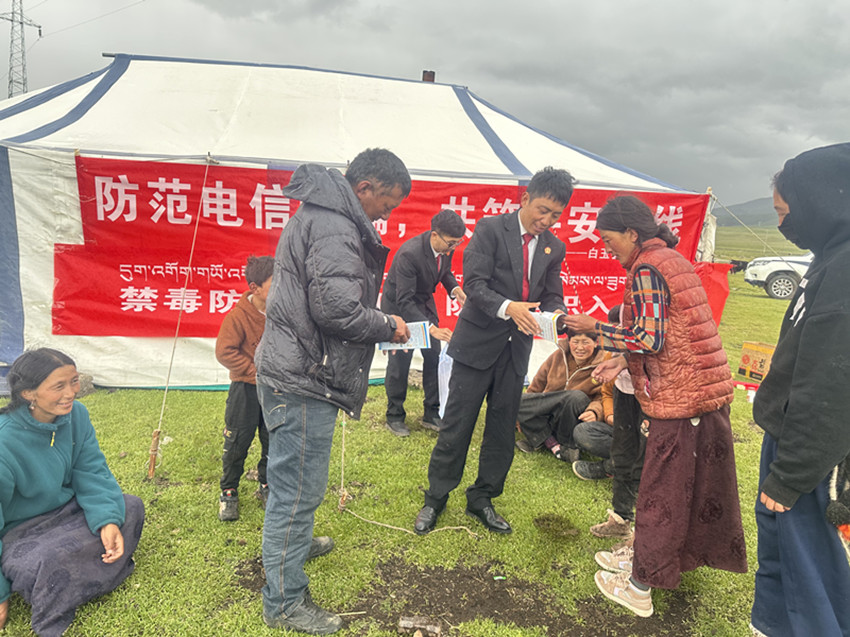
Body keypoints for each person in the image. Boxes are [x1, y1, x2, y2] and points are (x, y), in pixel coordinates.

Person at [565, 195, 746, 618]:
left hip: (683, 398)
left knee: (662, 492)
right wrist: (620, 360)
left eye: (609, 240)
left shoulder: (648, 268)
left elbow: (650, 338)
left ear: (632, 233)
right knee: (683, 489)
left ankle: (639, 586)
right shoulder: (671, 260)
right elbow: (672, 331)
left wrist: (597, 329)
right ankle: (651, 559)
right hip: (700, 393)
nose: (607, 248)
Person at [255, 148, 411, 635]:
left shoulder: (323, 215)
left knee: (297, 486)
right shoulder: (335, 225)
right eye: (386, 203)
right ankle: (284, 602)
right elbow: (337, 310)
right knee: (296, 493)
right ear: (364, 188)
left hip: (297, 370)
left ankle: (294, 548)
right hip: (303, 378)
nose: (386, 214)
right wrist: (387, 324)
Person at [414, 166, 575, 536]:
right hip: (476, 345)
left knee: (502, 430)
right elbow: (475, 284)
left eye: (555, 215)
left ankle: (482, 497)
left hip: (515, 351)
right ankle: (436, 497)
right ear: (525, 199)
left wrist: (557, 316)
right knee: (457, 425)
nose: (546, 221)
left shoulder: (554, 247)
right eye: (542, 210)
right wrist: (509, 308)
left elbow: (552, 294)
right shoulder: (489, 229)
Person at [749, 144, 850, 637]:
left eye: (784, 212)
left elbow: (833, 381)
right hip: (791, 435)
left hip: (810, 450)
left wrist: (790, 474)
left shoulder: (845, 271)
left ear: (819, 201)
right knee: (785, 555)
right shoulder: (829, 258)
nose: (782, 226)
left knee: (806, 568)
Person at [0, 348, 144, 637]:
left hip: (67, 511)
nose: (71, 393)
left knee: (129, 507)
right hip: (19, 530)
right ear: (28, 393)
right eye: (59, 386)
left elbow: (91, 470)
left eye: (74, 381)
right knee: (45, 560)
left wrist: (107, 521)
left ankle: (75, 571)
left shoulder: (76, 415)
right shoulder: (4, 441)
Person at [381, 209, 468, 436]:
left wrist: (455, 290)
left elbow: (444, 272)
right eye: (450, 243)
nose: (453, 248)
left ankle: (432, 412)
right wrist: (431, 328)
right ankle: (394, 416)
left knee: (434, 357)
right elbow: (404, 300)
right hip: (399, 309)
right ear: (434, 235)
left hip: (423, 304)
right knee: (400, 362)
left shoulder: (445, 248)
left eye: (457, 243)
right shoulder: (409, 254)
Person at [215, 255, 274, 521]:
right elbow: (224, 352)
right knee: (237, 441)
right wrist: (254, 372)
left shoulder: (281, 313)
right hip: (245, 390)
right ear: (255, 288)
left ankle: (267, 484)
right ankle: (229, 491)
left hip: (275, 389)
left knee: (273, 439)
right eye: (275, 283)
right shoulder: (237, 317)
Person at [580, 305, 647, 538]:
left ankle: (644, 535)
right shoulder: (610, 352)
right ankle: (620, 518)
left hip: (650, 393)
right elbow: (605, 391)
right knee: (622, 454)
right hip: (623, 394)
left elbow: (650, 343)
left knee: (647, 461)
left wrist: (595, 326)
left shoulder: (652, 305)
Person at [514, 329, 610, 463]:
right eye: (575, 342)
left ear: (596, 343)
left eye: (585, 342)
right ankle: (554, 445)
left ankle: (563, 444)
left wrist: (594, 411)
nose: (580, 347)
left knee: (576, 397)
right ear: (569, 342)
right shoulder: (558, 356)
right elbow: (537, 385)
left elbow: (603, 395)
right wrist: (523, 409)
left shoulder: (604, 364)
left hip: (573, 417)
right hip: (549, 412)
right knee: (514, 400)